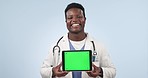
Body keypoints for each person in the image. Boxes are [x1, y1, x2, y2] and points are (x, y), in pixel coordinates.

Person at [40, 2, 116, 78]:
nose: (75, 20)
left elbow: (112, 71)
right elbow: (43, 71)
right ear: (66, 21)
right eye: (70, 17)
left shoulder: (98, 46)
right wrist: (53, 71)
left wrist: (100, 71)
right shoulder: (56, 47)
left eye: (79, 17)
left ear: (85, 20)